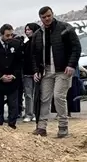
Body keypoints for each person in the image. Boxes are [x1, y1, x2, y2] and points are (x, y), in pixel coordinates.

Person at [29, 8, 82, 138]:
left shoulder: (65, 28)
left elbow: (76, 47)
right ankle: (41, 127)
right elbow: (34, 55)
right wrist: (36, 70)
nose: (47, 19)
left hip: (63, 70)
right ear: (40, 18)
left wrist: (71, 65)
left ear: (52, 14)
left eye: (48, 16)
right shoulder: (38, 34)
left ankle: (63, 127)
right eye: (44, 17)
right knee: (44, 98)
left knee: (59, 96)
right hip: (46, 70)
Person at [0, 24, 25, 128]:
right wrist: (0, 76)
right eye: (7, 35)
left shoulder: (16, 44)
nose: (10, 38)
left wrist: (14, 75)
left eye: (11, 35)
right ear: (1, 34)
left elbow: (20, 62)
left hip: (13, 80)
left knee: (13, 105)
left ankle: (12, 126)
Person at [20, 23, 38, 122]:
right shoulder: (26, 44)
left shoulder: (39, 43)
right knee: (28, 94)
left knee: (36, 94)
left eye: (29, 29)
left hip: (37, 72)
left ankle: (36, 113)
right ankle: (28, 113)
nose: (27, 31)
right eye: (26, 30)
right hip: (27, 72)